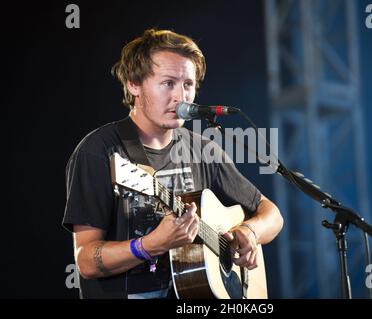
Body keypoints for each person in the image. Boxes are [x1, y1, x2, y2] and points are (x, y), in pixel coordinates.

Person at [62, 28, 283, 299]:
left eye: (188, 84)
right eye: (168, 83)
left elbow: (272, 214)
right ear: (134, 83)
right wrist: (151, 245)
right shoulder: (99, 152)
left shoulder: (203, 150)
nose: (181, 97)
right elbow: (85, 261)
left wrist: (248, 231)